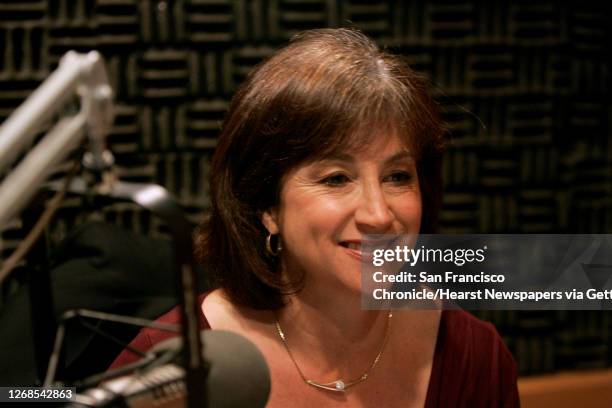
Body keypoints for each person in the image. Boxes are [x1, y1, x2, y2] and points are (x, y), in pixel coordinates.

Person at [110, 28, 519, 407]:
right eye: (337, 178)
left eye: (397, 177)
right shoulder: (169, 365)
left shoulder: (473, 354)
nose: (378, 215)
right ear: (267, 207)